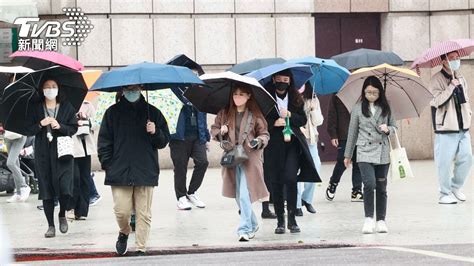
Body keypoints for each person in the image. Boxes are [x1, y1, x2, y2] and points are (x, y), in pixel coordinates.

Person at [98, 84, 170, 256]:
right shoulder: (112, 113)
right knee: (121, 210)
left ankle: (140, 247)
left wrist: (155, 131)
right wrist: (108, 164)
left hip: (145, 170)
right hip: (119, 171)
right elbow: (104, 141)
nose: (132, 92)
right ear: (122, 90)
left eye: (135, 88)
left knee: (143, 213)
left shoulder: (153, 113)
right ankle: (124, 232)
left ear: (141, 88)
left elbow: (163, 141)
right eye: (128, 89)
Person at [263, 70, 321, 234]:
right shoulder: (266, 99)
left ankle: (292, 218)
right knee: (276, 181)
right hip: (273, 146)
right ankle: (280, 220)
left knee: (290, 178)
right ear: (273, 79)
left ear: (290, 81)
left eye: (285, 79)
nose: (282, 82)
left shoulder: (296, 98)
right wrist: (274, 123)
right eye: (279, 79)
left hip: (292, 145)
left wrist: (289, 115)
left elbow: (302, 119)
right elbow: (260, 121)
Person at [211, 83, 270, 241]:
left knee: (245, 194)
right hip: (232, 158)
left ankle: (244, 229)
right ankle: (252, 223)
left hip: (250, 157)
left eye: (242, 94)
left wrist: (258, 140)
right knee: (238, 195)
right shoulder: (224, 113)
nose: (238, 97)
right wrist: (220, 131)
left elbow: (265, 134)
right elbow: (214, 130)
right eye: (235, 94)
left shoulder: (255, 114)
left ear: (248, 96)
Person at [24, 78, 78, 238]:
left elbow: (73, 128)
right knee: (46, 190)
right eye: (47, 87)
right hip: (43, 153)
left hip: (63, 153)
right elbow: (28, 128)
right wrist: (40, 124)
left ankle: (62, 213)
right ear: (42, 89)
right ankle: (50, 225)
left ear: (58, 88)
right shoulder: (35, 107)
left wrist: (60, 126)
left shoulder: (67, 106)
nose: (50, 89)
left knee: (65, 189)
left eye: (53, 86)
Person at [344, 76, 396, 234]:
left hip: (382, 152)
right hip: (364, 151)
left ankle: (381, 220)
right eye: (368, 92)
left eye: (375, 92)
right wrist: (347, 155)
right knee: (369, 184)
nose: (371, 95)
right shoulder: (358, 108)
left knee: (381, 186)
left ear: (380, 92)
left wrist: (388, 129)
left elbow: (394, 127)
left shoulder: (387, 108)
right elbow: (352, 133)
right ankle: (368, 219)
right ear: (363, 92)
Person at [430, 51, 472, 204]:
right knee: (445, 162)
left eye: (457, 58)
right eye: (452, 58)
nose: (456, 61)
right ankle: (444, 194)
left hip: (463, 126)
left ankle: (456, 187)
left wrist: (469, 113)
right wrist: (450, 88)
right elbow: (436, 102)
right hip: (446, 127)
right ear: (444, 61)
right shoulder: (436, 80)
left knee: (467, 158)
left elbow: (465, 99)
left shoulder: (460, 77)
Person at [169, 85, 210, 210]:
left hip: (197, 135)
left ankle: (191, 192)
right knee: (180, 166)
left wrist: (206, 137)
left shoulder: (198, 93)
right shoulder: (173, 91)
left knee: (203, 162)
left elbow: (203, 116)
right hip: (179, 137)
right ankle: (181, 196)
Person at [326, 94, 363, 202]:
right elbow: (332, 114)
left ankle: (357, 191)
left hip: (361, 132)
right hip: (344, 133)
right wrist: (333, 134)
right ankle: (333, 182)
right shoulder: (337, 92)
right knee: (342, 160)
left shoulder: (363, 91)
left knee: (359, 161)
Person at [296, 83, 323, 216]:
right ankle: (296, 204)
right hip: (295, 139)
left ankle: (306, 199)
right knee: (295, 171)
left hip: (310, 140)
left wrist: (313, 110)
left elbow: (319, 122)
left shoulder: (313, 98)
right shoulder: (290, 97)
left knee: (315, 168)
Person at [68, 101, 97, 220]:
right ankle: (71, 208)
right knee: (74, 178)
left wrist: (86, 119)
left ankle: (83, 211)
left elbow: (95, 124)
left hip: (86, 147)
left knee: (85, 178)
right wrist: (74, 121)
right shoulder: (66, 106)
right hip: (72, 147)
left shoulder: (87, 105)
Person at [4, 130, 29, 202]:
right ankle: (18, 193)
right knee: (15, 164)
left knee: (10, 163)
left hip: (19, 135)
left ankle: (24, 186)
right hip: (8, 135)